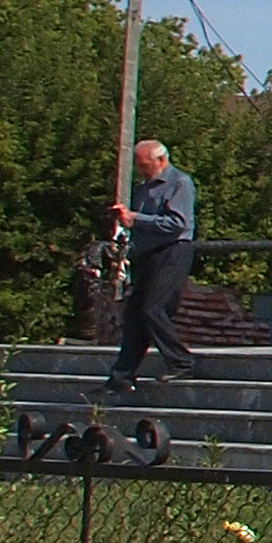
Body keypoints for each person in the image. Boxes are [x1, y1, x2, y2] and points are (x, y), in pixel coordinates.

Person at [106, 140, 199, 393]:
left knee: (154, 309)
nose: (141, 170)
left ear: (160, 160)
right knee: (135, 314)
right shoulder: (143, 189)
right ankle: (122, 375)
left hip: (172, 252)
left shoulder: (179, 183)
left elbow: (176, 223)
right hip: (148, 254)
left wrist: (136, 219)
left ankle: (181, 361)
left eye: (144, 165)